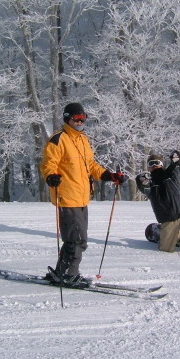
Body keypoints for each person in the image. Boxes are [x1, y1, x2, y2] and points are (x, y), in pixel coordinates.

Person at [40, 102, 127, 286]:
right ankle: (69, 275)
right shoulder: (58, 139)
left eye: (83, 118)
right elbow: (48, 163)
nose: (80, 122)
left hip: (82, 197)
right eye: (76, 118)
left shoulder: (83, 140)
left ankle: (62, 272)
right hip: (67, 196)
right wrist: (51, 176)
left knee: (74, 238)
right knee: (77, 239)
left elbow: (91, 165)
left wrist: (109, 175)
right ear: (67, 119)